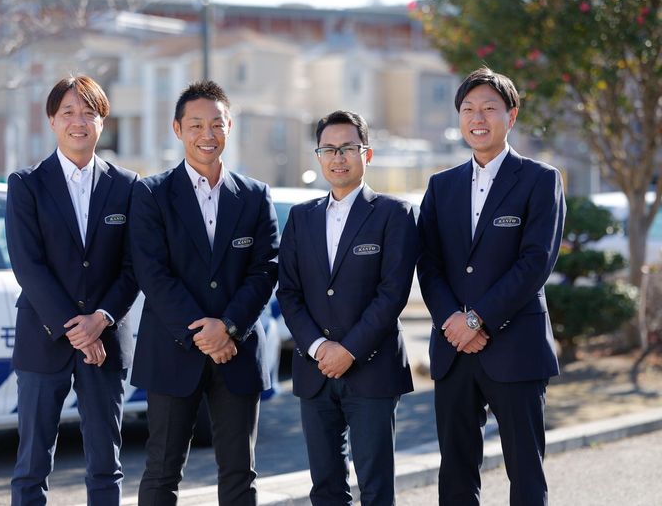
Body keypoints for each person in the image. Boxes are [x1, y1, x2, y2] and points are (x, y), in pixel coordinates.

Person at [417, 67, 566, 506]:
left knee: (526, 472)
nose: (477, 118)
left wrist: (477, 319)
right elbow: (428, 263)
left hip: (516, 347)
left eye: (488, 108)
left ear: (511, 116)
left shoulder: (540, 179)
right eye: (468, 109)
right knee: (456, 474)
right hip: (453, 351)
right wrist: (453, 321)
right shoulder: (441, 185)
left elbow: (535, 262)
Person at [129, 80, 279, 506]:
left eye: (216, 124)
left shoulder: (254, 196)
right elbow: (152, 273)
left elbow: (265, 269)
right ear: (177, 129)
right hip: (172, 351)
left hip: (237, 351)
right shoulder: (151, 193)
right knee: (162, 471)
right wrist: (203, 333)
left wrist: (228, 327)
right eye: (195, 125)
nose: (207, 134)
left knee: (239, 473)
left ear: (229, 126)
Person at [6, 75, 140, 505]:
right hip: (43, 339)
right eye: (68, 112)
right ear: (52, 120)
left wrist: (101, 319)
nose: (78, 121)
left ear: (103, 122)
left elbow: (134, 266)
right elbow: (28, 265)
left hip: (106, 339)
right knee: (31, 466)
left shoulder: (128, 185)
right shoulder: (26, 183)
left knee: (106, 465)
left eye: (89, 113)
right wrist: (76, 330)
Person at [277, 110, 419, 506]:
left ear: (366, 154)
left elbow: (392, 293)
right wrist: (320, 347)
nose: (338, 157)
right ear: (318, 156)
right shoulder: (301, 217)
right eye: (328, 149)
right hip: (315, 370)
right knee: (325, 488)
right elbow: (289, 292)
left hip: (372, 368)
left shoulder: (395, 214)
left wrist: (349, 350)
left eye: (348, 148)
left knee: (376, 487)